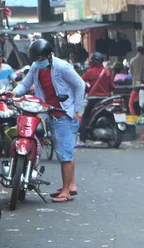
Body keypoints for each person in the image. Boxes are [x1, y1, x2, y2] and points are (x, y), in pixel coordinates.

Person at [7, 39, 85, 203]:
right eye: (36, 59)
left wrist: (76, 109)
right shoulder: (36, 67)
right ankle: (71, 185)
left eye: (41, 59)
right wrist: (14, 93)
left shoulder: (62, 67)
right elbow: (26, 83)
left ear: (49, 56)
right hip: (49, 110)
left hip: (64, 113)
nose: (38, 62)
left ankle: (65, 192)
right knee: (65, 149)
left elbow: (80, 85)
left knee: (64, 154)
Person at [79, 52, 115, 146]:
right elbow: (112, 86)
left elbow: (80, 82)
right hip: (105, 100)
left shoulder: (90, 72)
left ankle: (82, 140)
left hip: (93, 99)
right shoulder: (106, 72)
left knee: (85, 117)